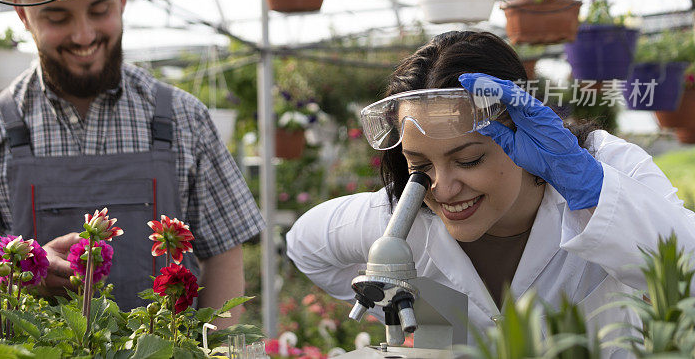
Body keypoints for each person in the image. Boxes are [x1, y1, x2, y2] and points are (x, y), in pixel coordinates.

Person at [0, 0, 264, 319]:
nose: (84, 36)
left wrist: (222, 347)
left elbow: (223, 254)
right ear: (23, 16)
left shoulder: (183, 119)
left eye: (99, 9)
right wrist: (19, 272)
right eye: (57, 17)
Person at [286, 30, 695, 353]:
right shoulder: (400, 220)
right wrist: (413, 309)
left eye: (468, 160)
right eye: (421, 165)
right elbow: (306, 245)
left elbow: (687, 275)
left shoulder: (605, 165)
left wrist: (590, 192)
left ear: (521, 128)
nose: (443, 188)